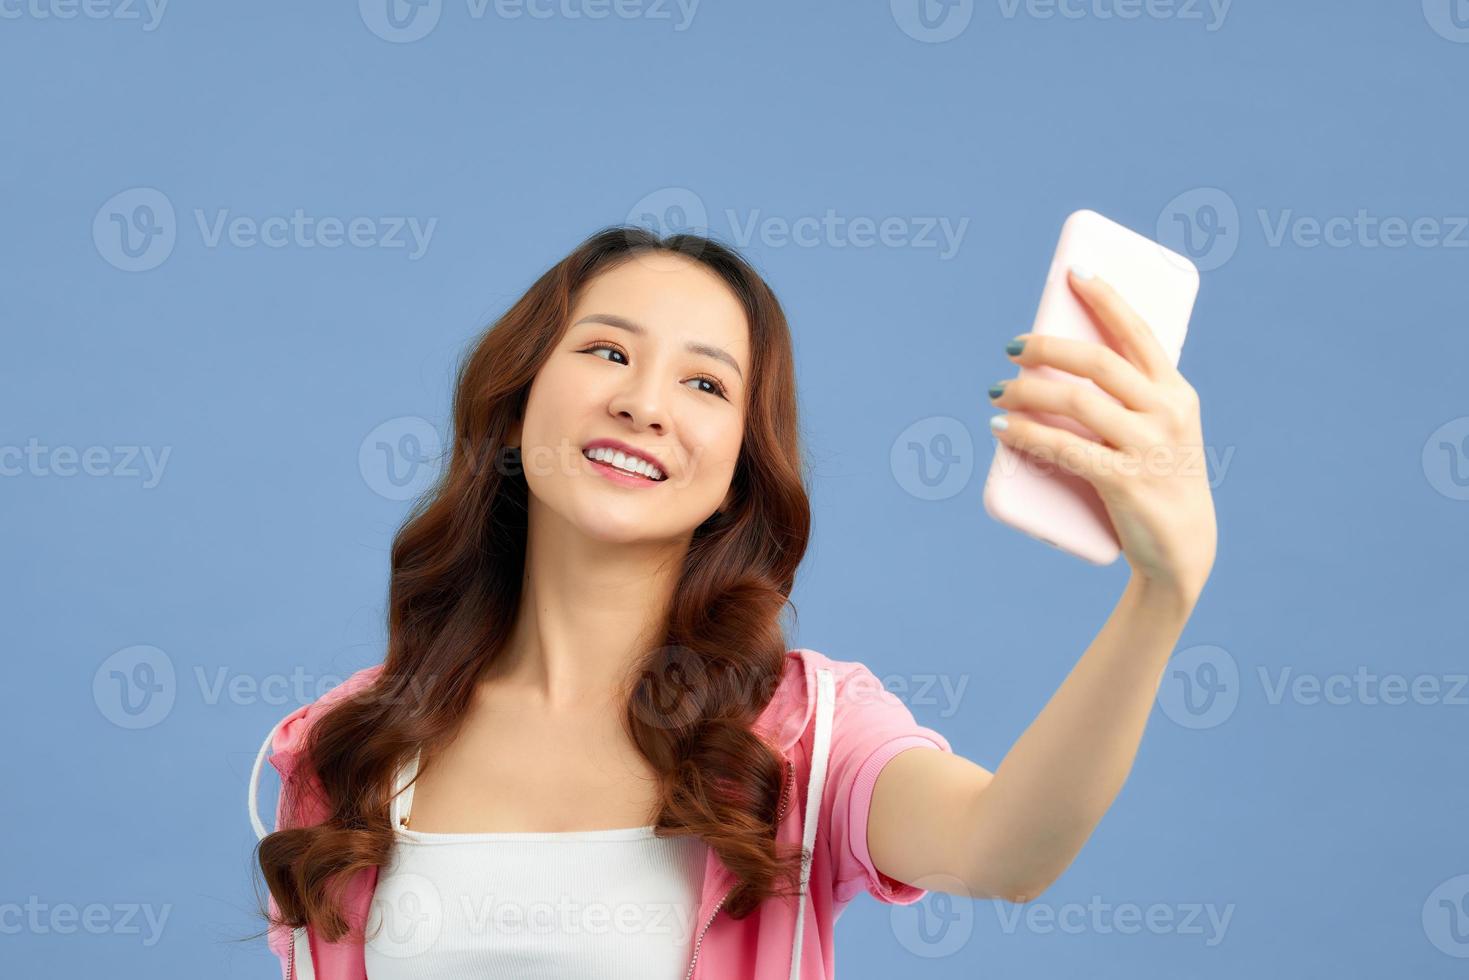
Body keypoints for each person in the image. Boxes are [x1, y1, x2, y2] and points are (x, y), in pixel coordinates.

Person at [247, 226, 1217, 979]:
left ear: (735, 475)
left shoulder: (805, 738)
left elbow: (1004, 845)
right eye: (606, 351)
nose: (645, 403)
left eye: (704, 381)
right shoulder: (348, 747)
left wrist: (1158, 594)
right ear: (517, 400)